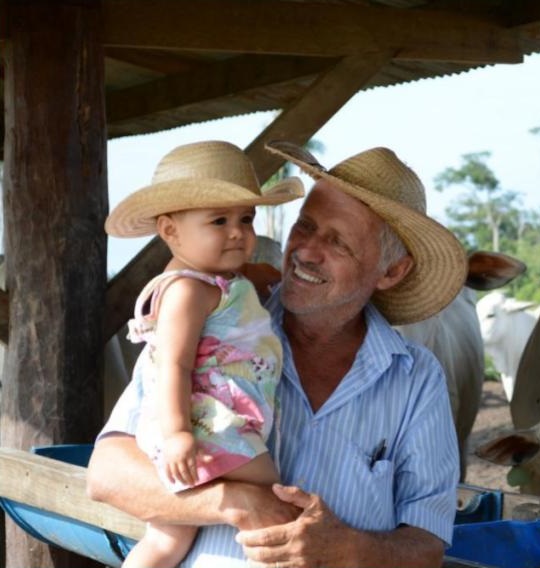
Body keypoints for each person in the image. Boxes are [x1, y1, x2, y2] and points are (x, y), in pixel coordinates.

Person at [87, 140, 468, 567]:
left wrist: (345, 549)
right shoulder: (212, 327)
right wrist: (231, 501)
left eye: (337, 242)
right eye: (304, 227)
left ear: (392, 271)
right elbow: (106, 475)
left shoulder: (415, 379)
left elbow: (427, 546)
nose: (305, 251)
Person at [101, 140, 304, 568]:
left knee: (166, 538)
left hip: (199, 430)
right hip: (209, 428)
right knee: (275, 508)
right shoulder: (188, 291)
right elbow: (174, 363)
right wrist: (178, 435)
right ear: (170, 232)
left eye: (246, 219)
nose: (239, 232)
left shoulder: (208, 282)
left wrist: (250, 274)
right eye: (219, 220)